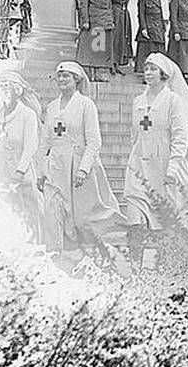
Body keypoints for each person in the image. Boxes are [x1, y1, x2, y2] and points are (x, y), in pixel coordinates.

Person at [123, 53, 188, 262]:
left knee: (169, 217)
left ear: (164, 74)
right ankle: (134, 267)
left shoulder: (174, 101)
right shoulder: (138, 101)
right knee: (134, 210)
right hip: (140, 161)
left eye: (153, 69)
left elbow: (180, 137)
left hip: (165, 164)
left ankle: (170, 262)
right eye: (146, 69)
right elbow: (134, 133)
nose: (148, 73)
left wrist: (172, 168)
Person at [35, 62, 124, 256]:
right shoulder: (52, 107)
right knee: (52, 209)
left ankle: (91, 255)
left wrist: (83, 169)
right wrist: (40, 171)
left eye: (66, 76)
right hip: (56, 166)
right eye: (59, 76)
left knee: (81, 217)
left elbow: (94, 141)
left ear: (77, 80)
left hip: (78, 166)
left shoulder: (85, 105)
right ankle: (54, 253)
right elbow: (44, 142)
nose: (61, 80)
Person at [0, 68, 42, 239]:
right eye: (0, 87)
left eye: (7, 86)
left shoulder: (28, 114)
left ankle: (36, 243)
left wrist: (20, 171)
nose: (4, 90)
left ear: (17, 90)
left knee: (29, 209)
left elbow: (30, 146)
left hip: (23, 172)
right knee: (6, 210)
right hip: (2, 172)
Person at [75, 0, 115, 80]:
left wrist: (110, 20)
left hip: (104, 22)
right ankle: (89, 73)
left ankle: (98, 73)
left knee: (99, 49)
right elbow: (84, 4)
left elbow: (109, 5)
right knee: (90, 49)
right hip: (94, 21)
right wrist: (85, 20)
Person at [134, 0, 167, 75]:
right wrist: (143, 28)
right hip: (148, 27)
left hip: (157, 28)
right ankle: (143, 71)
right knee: (146, 51)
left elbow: (160, 13)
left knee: (157, 51)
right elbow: (141, 14)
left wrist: (163, 26)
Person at [109, 0, 133, 74]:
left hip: (124, 14)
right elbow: (110, 2)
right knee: (114, 38)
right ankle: (111, 63)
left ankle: (118, 62)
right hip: (115, 12)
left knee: (123, 38)